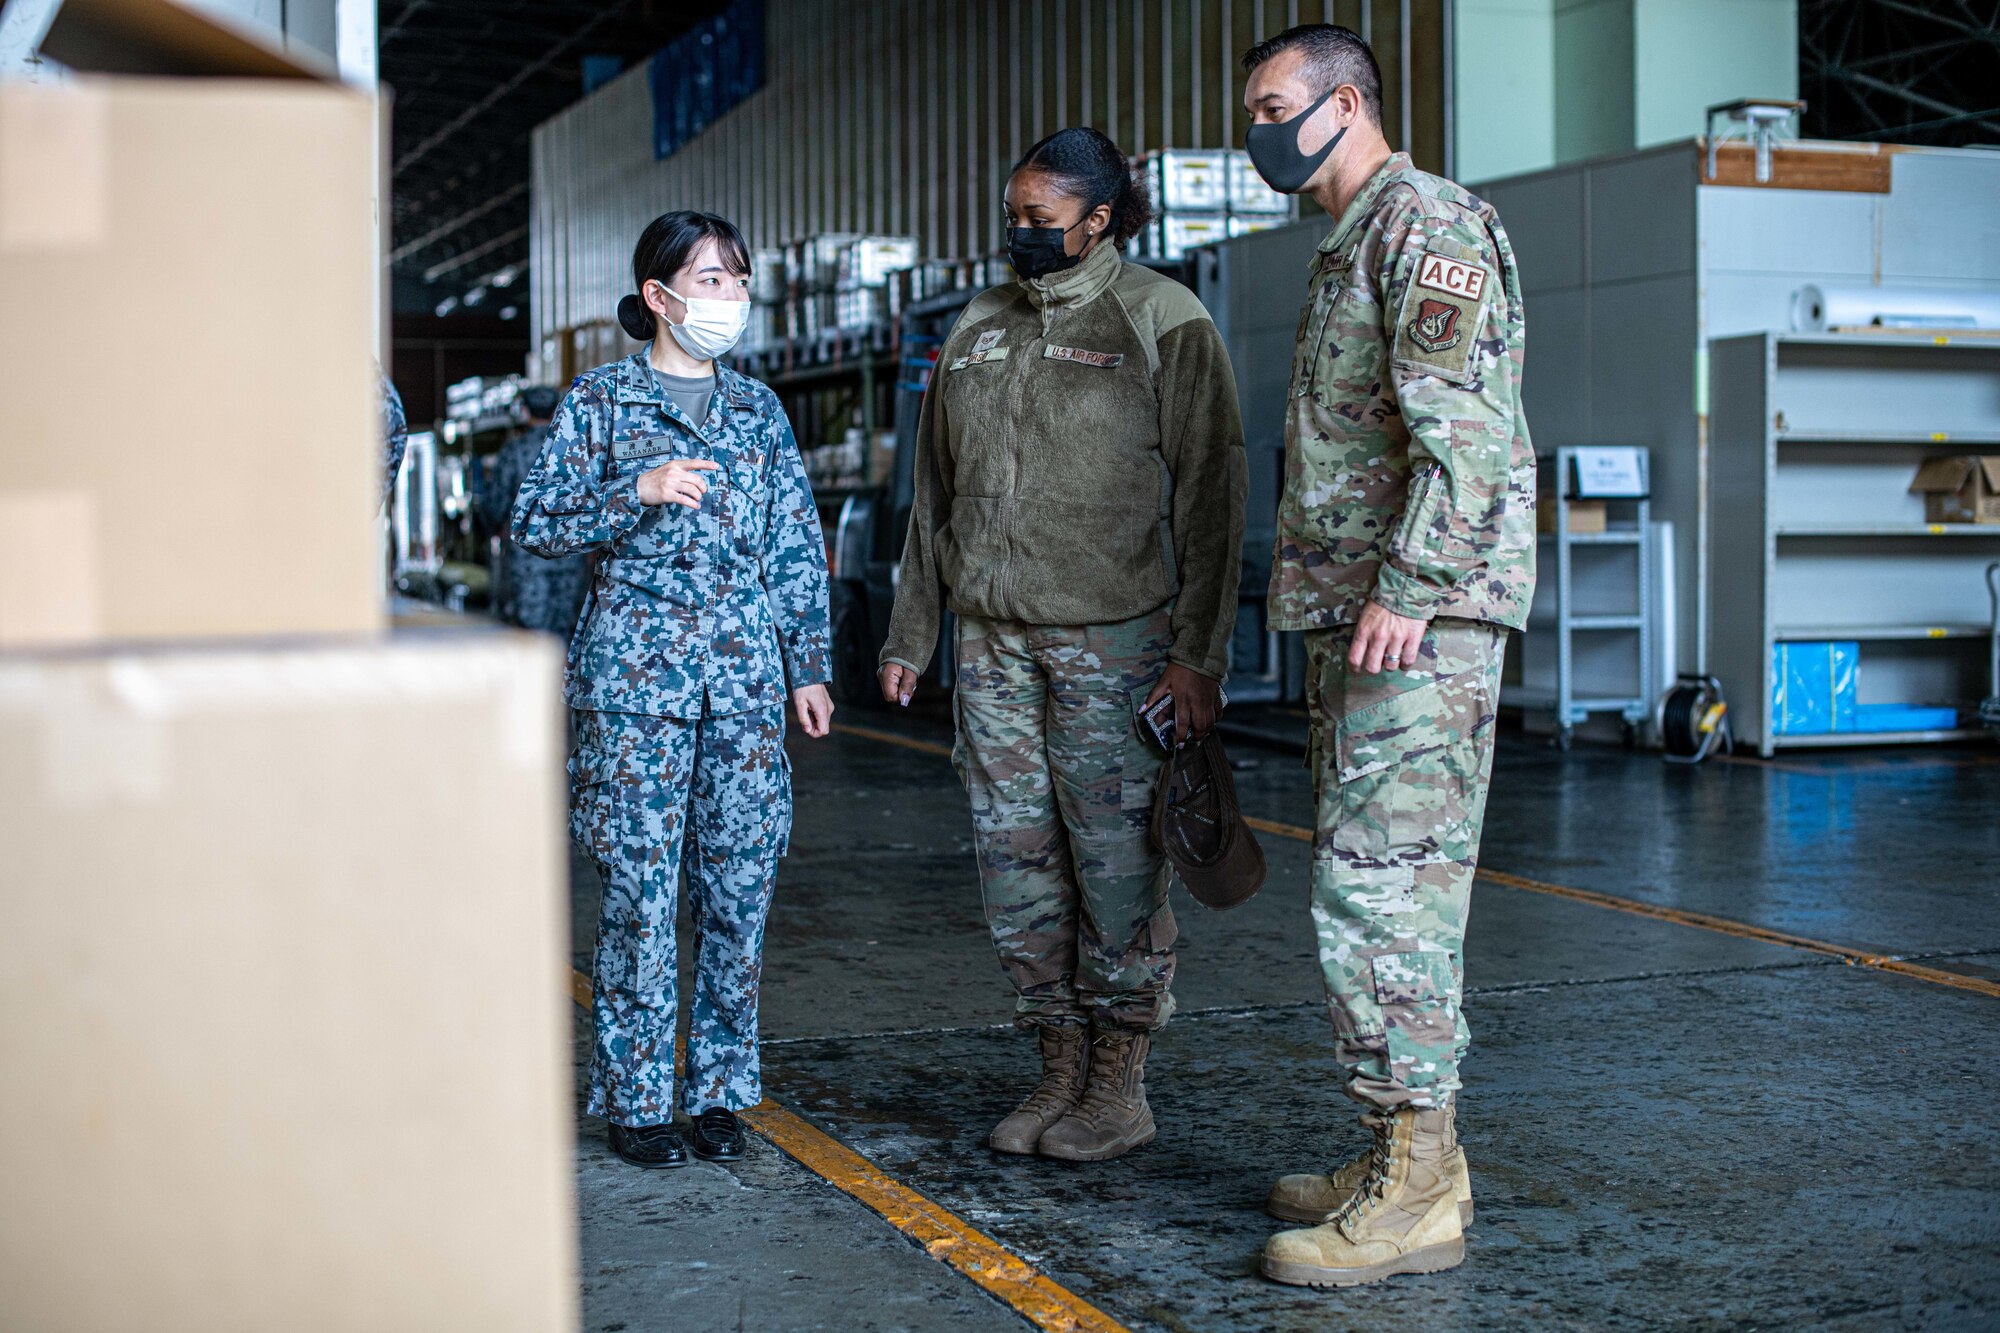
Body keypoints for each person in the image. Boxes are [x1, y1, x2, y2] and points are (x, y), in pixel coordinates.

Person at [878, 128, 1247, 1163]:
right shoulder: (978, 327)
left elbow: (1213, 494)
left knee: (1116, 859)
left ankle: (1118, 1079)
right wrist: (914, 632)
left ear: (1099, 219)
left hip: (1116, 640)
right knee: (1014, 862)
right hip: (991, 646)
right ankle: (1055, 1060)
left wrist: (1197, 656)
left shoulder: (1161, 320)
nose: (1019, 236)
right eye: (1011, 218)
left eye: (1040, 221)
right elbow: (930, 496)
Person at [1238, 25, 1537, 1286]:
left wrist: (1411, 586)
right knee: (1376, 890)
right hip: (1370, 612)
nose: (1253, 130)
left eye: (1270, 106)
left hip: (1412, 617)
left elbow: (1463, 432)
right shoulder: (1352, 239)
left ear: (1344, 101)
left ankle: (1412, 1189)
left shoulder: (1424, 225)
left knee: (1383, 898)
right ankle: (1408, 1153)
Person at [512, 210, 835, 1171]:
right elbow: (535, 521)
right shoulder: (601, 402)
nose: (728, 299)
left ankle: (721, 1089)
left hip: (741, 687)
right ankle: (639, 1094)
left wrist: (806, 665)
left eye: (738, 281)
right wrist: (636, 490)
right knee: (640, 898)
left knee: (738, 891)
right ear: (659, 296)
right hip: (634, 691)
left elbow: (794, 545)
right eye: (710, 280)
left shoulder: (759, 412)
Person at [480, 384, 592, 637]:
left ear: (526, 410)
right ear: (556, 409)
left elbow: (494, 502)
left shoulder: (514, 451)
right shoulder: (575, 448)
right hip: (570, 553)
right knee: (566, 631)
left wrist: (492, 528)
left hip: (526, 556)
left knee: (529, 634)